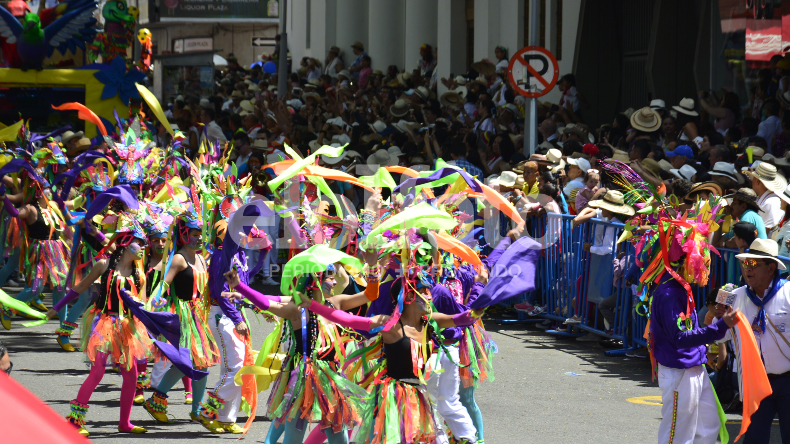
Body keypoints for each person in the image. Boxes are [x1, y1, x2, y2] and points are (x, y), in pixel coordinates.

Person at [50, 222, 155, 436]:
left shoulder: (139, 274)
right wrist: (56, 308)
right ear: (125, 243)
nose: (143, 247)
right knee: (97, 372)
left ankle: (124, 423)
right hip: (104, 323)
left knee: (132, 375)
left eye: (144, 244)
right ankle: (75, 420)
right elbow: (81, 287)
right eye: (139, 243)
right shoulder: (104, 265)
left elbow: (143, 305)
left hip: (128, 326)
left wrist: (154, 318)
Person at [729, 238, 790, 442]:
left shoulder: (788, 292)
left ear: (771, 268)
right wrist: (719, 320)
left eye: (754, 263)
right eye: (745, 263)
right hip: (755, 383)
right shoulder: (735, 296)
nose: (748, 268)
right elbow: (721, 337)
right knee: (754, 438)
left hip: (787, 380)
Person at [749, 162, 789, 235]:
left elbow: (763, 233)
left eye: (753, 178)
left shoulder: (770, 203)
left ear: (757, 181)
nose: (751, 180)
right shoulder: (766, 199)